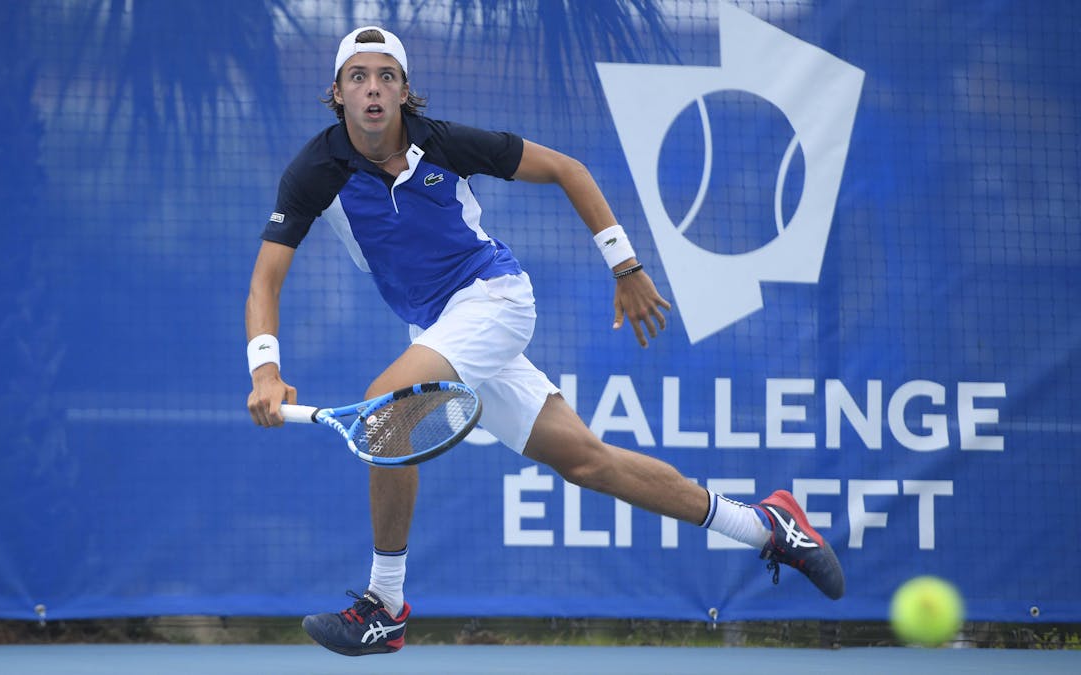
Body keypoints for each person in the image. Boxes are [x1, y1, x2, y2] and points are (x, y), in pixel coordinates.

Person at [245, 25, 844, 657]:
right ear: (337, 93)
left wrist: (627, 266)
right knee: (587, 460)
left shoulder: (446, 144)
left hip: (494, 300)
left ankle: (384, 606)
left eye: (386, 76)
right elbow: (265, 279)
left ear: (404, 91)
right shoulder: (314, 171)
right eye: (358, 78)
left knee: (387, 409)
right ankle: (765, 526)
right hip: (437, 328)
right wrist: (265, 368)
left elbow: (567, 169)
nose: (372, 89)